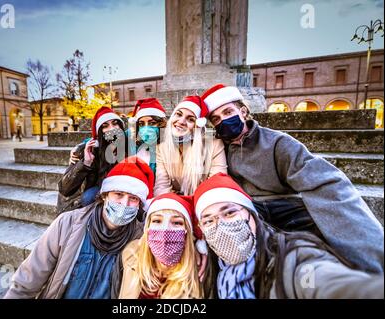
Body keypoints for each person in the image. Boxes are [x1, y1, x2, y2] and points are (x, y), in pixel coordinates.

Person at [201, 83, 384, 274]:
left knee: (325, 237)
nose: (224, 120)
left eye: (228, 112)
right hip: (248, 210)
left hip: (285, 206)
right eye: (216, 118)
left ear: (244, 112)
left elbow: (320, 178)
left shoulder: (277, 142)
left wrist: (368, 245)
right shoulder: (218, 150)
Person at [194, 173, 384, 299]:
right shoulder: (212, 270)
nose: (221, 226)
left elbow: (327, 282)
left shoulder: (292, 256)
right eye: (208, 221)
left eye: (229, 213)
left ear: (251, 214)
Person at [4, 156, 154, 299]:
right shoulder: (68, 224)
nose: (124, 204)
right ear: (104, 196)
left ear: (140, 204)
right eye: (118, 194)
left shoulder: (141, 240)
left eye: (133, 198)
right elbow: (29, 278)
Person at [115, 193, 214, 299]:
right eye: (157, 221)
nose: (165, 229)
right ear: (147, 228)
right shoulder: (131, 254)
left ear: (186, 231)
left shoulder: (199, 268)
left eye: (176, 223)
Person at [57, 107, 127, 213]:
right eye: (105, 126)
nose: (112, 129)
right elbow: (64, 189)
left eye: (115, 123)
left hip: (113, 196)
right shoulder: (87, 150)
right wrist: (85, 163)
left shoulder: (126, 147)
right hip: (84, 204)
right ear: (99, 132)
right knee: (89, 196)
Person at [154, 96, 227, 196]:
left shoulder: (214, 145)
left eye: (190, 119)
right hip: (175, 203)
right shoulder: (161, 148)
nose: (181, 121)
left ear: (197, 127)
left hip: (203, 202)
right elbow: (161, 186)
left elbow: (217, 185)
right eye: (178, 114)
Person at [128, 98, 167, 175]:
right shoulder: (135, 146)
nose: (146, 128)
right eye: (141, 124)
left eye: (152, 123)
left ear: (161, 124)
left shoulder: (167, 148)